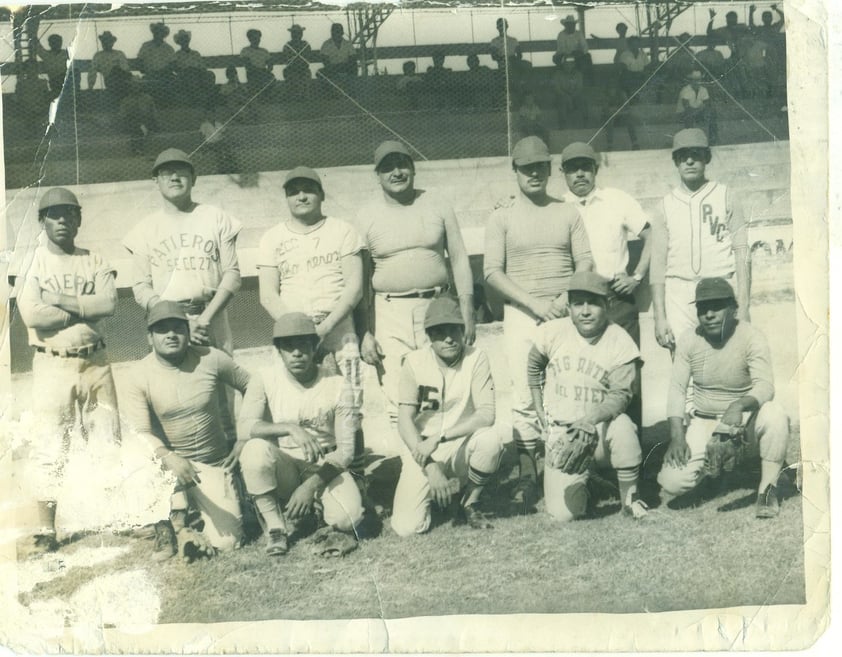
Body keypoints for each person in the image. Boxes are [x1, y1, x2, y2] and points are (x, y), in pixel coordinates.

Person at [483, 136, 593, 510]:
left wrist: (562, 302)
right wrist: (533, 304)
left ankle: (571, 462)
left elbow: (585, 264)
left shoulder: (567, 212)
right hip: (521, 313)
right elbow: (492, 272)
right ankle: (530, 473)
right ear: (514, 171)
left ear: (550, 169)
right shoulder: (501, 216)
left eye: (540, 167)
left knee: (567, 387)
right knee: (523, 392)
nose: (533, 173)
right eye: (525, 167)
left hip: (563, 312)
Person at [17, 187, 122, 554]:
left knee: (107, 440)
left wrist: (59, 300)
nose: (62, 220)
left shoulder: (93, 259)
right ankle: (46, 530)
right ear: (42, 221)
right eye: (53, 214)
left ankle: (119, 519)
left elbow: (108, 303)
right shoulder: (32, 262)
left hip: (95, 361)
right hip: (52, 363)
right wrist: (83, 307)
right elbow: (32, 315)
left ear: (79, 218)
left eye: (68, 214)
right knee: (49, 446)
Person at [355, 140, 475, 432]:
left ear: (413, 168)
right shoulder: (365, 216)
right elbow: (359, 283)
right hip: (388, 312)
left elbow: (459, 260)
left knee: (442, 384)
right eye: (387, 167)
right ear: (378, 174)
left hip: (437, 307)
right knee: (398, 391)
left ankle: (444, 457)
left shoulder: (438, 204)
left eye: (402, 164)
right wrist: (364, 332)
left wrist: (468, 312)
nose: (396, 172)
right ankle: (413, 465)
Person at [122, 301, 250, 560]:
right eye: (162, 330)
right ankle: (167, 529)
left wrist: (245, 433)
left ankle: (185, 526)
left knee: (228, 542)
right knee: (134, 452)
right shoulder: (138, 374)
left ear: (188, 331)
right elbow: (140, 432)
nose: (171, 335)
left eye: (178, 328)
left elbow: (252, 385)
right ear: (149, 337)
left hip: (209, 464)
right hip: (168, 467)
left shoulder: (211, 358)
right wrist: (168, 456)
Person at [657, 278, 789, 518]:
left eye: (716, 306)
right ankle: (713, 475)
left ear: (733, 308)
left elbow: (765, 386)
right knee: (672, 482)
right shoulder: (689, 339)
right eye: (702, 308)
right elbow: (677, 388)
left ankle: (768, 489)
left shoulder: (751, 335)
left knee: (775, 414)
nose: (708, 314)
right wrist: (677, 436)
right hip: (705, 421)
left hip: (744, 420)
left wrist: (738, 404)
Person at [238, 313, 364, 556]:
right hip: (284, 462)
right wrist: (289, 428)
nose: (296, 353)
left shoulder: (337, 383)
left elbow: (346, 452)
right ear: (279, 350)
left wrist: (310, 487)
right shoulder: (265, 377)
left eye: (303, 345)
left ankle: (317, 507)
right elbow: (245, 427)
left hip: (324, 465)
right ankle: (275, 527)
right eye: (288, 346)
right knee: (254, 450)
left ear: (314, 346)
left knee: (349, 518)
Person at [527, 271, 648, 521]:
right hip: (564, 432)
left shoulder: (620, 340)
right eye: (578, 303)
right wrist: (539, 409)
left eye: (593, 302)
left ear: (608, 304)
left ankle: (630, 498)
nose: (585, 310)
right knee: (565, 515)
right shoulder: (552, 331)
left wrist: (589, 421)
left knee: (624, 427)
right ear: (569, 307)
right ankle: (591, 481)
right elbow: (533, 367)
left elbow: (620, 396)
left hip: (601, 431)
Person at [392, 297, 503, 536]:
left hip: (458, 443)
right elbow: (404, 420)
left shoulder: (477, 357)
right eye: (440, 332)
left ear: (462, 330)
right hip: (421, 448)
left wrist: (440, 438)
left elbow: (486, 414)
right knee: (407, 528)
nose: (449, 338)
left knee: (490, 440)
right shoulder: (413, 362)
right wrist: (430, 467)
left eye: (454, 329)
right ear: (429, 337)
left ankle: (470, 502)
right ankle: (438, 494)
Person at [122, 148, 242, 357]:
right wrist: (180, 320)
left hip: (212, 317)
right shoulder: (144, 229)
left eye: (182, 172)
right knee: (171, 385)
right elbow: (141, 287)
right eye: (167, 173)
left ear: (194, 179)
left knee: (220, 383)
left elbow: (232, 275)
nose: (175, 177)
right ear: (156, 180)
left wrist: (203, 319)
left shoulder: (216, 217)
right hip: (167, 322)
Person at [649, 128, 750, 354]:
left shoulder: (726, 195)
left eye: (696, 154)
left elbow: (742, 254)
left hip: (720, 287)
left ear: (707, 157)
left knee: (727, 361)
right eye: (683, 155)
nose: (690, 160)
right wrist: (659, 316)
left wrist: (744, 306)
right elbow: (657, 266)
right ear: (676, 161)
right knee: (684, 363)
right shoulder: (664, 205)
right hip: (679, 291)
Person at [559, 142, 651, 347]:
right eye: (573, 168)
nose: (580, 173)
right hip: (577, 301)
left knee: (627, 370)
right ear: (563, 173)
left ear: (596, 169)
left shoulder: (617, 199)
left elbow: (651, 235)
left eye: (586, 167)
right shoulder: (557, 206)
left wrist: (636, 277)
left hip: (615, 298)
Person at [172, 29, 216, 107]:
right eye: (182, 39)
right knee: (190, 76)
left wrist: (198, 71)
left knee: (210, 74)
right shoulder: (177, 55)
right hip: (184, 76)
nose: (185, 41)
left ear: (188, 40)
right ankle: (198, 100)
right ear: (179, 42)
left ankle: (208, 97)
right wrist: (187, 71)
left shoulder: (196, 53)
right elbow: (176, 69)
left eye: (186, 39)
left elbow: (202, 67)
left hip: (198, 74)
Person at [676, 69, 717, 143]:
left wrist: (704, 111)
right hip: (683, 113)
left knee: (712, 113)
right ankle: (690, 140)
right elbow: (687, 108)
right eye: (694, 80)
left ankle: (712, 139)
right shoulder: (685, 90)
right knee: (689, 115)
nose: (697, 82)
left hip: (696, 112)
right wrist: (701, 108)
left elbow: (707, 104)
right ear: (691, 81)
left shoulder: (703, 90)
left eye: (698, 80)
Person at [553, 14, 592, 84]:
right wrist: (571, 53)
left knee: (587, 57)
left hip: (578, 56)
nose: (570, 26)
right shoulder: (561, 34)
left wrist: (581, 52)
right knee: (557, 60)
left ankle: (588, 81)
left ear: (574, 25)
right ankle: (562, 81)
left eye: (572, 24)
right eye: (568, 25)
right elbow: (561, 48)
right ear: (565, 25)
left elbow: (585, 46)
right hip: (564, 55)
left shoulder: (579, 34)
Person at [34, 33, 76, 99]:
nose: (57, 44)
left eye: (58, 42)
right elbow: (37, 47)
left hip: (66, 79)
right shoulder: (46, 55)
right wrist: (33, 35)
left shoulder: (65, 53)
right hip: (55, 80)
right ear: (50, 44)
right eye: (54, 42)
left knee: (75, 72)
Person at [551, 55, 586, 129]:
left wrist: (572, 97)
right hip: (562, 96)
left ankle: (584, 124)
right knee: (562, 101)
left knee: (583, 100)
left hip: (575, 96)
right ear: (563, 65)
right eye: (566, 64)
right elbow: (557, 89)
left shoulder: (578, 74)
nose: (568, 66)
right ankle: (562, 125)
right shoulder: (557, 74)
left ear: (574, 64)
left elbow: (579, 88)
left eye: (571, 64)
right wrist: (566, 97)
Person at [282, 24, 313, 95]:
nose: (296, 35)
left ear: (301, 34)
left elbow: (307, 59)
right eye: (294, 33)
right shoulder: (287, 46)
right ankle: (295, 95)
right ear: (291, 34)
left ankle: (303, 95)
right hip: (291, 68)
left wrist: (301, 65)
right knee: (291, 75)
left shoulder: (305, 45)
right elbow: (287, 60)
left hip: (303, 68)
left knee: (305, 74)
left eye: (298, 33)